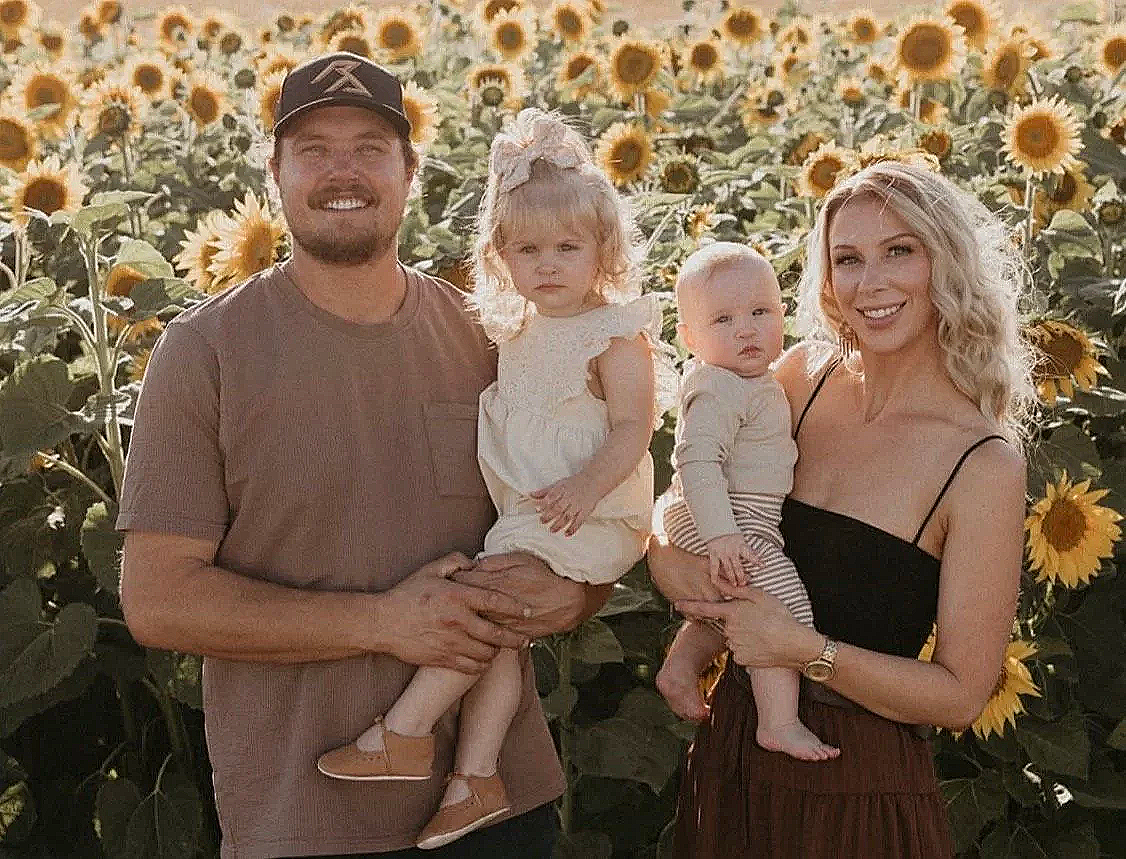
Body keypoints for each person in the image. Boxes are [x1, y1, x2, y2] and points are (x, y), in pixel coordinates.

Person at [117, 54, 610, 859]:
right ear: (274, 171)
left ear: (410, 171)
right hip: (306, 816)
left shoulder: (492, 335)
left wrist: (574, 597)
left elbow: (579, 511)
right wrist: (382, 622)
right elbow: (158, 600)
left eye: (370, 148)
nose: (341, 172)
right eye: (313, 149)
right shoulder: (205, 353)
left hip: (496, 807)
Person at [648, 161, 1032, 858]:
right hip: (733, 748)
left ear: (944, 261)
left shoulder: (983, 465)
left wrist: (805, 650)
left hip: (857, 785)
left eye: (899, 252)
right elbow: (674, 524)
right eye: (847, 259)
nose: (870, 283)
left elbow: (959, 696)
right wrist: (688, 575)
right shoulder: (797, 381)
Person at [315, 107, 676, 850]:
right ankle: (475, 778)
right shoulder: (518, 327)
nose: (548, 265)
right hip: (533, 510)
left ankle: (405, 730)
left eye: (568, 248)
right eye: (528, 249)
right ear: (501, 254)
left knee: (475, 603)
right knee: (502, 635)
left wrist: (584, 488)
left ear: (602, 249)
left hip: (584, 508)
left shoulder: (615, 329)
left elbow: (633, 429)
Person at [655, 242, 837, 762]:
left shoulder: (752, 380)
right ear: (690, 339)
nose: (746, 329)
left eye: (761, 312)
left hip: (733, 514)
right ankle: (778, 722)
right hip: (719, 514)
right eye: (723, 319)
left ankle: (680, 668)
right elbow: (695, 462)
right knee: (780, 605)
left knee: (734, 595)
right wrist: (721, 535)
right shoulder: (718, 387)